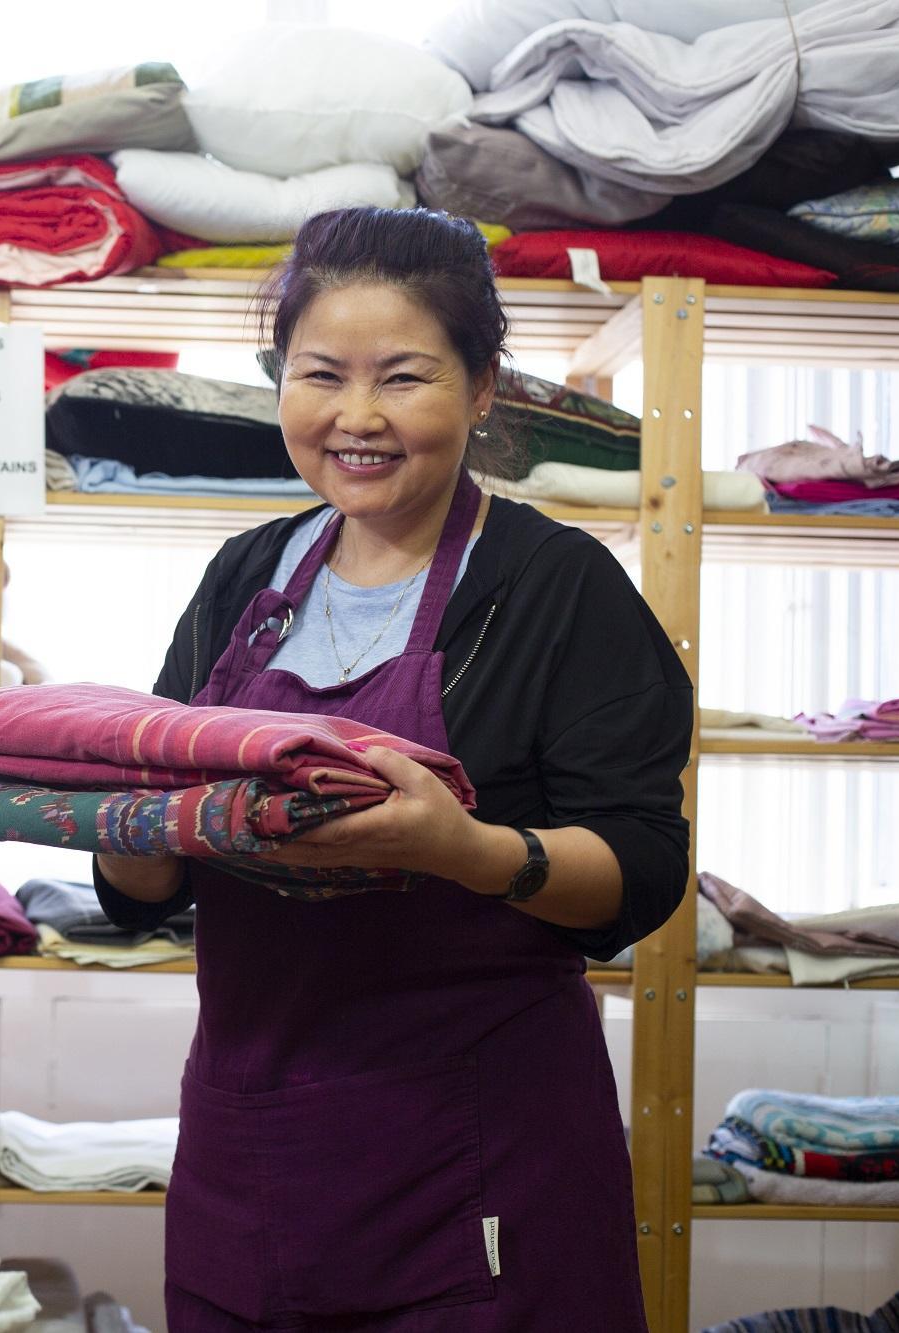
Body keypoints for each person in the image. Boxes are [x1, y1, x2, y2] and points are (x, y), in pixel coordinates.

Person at [94, 207, 691, 1331]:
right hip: (248, 1141)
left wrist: (461, 851)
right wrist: (120, 831)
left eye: (403, 377)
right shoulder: (244, 575)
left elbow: (643, 868)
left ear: (479, 388)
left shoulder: (557, 587)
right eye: (318, 374)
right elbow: (148, 885)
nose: (355, 417)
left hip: (473, 1152)